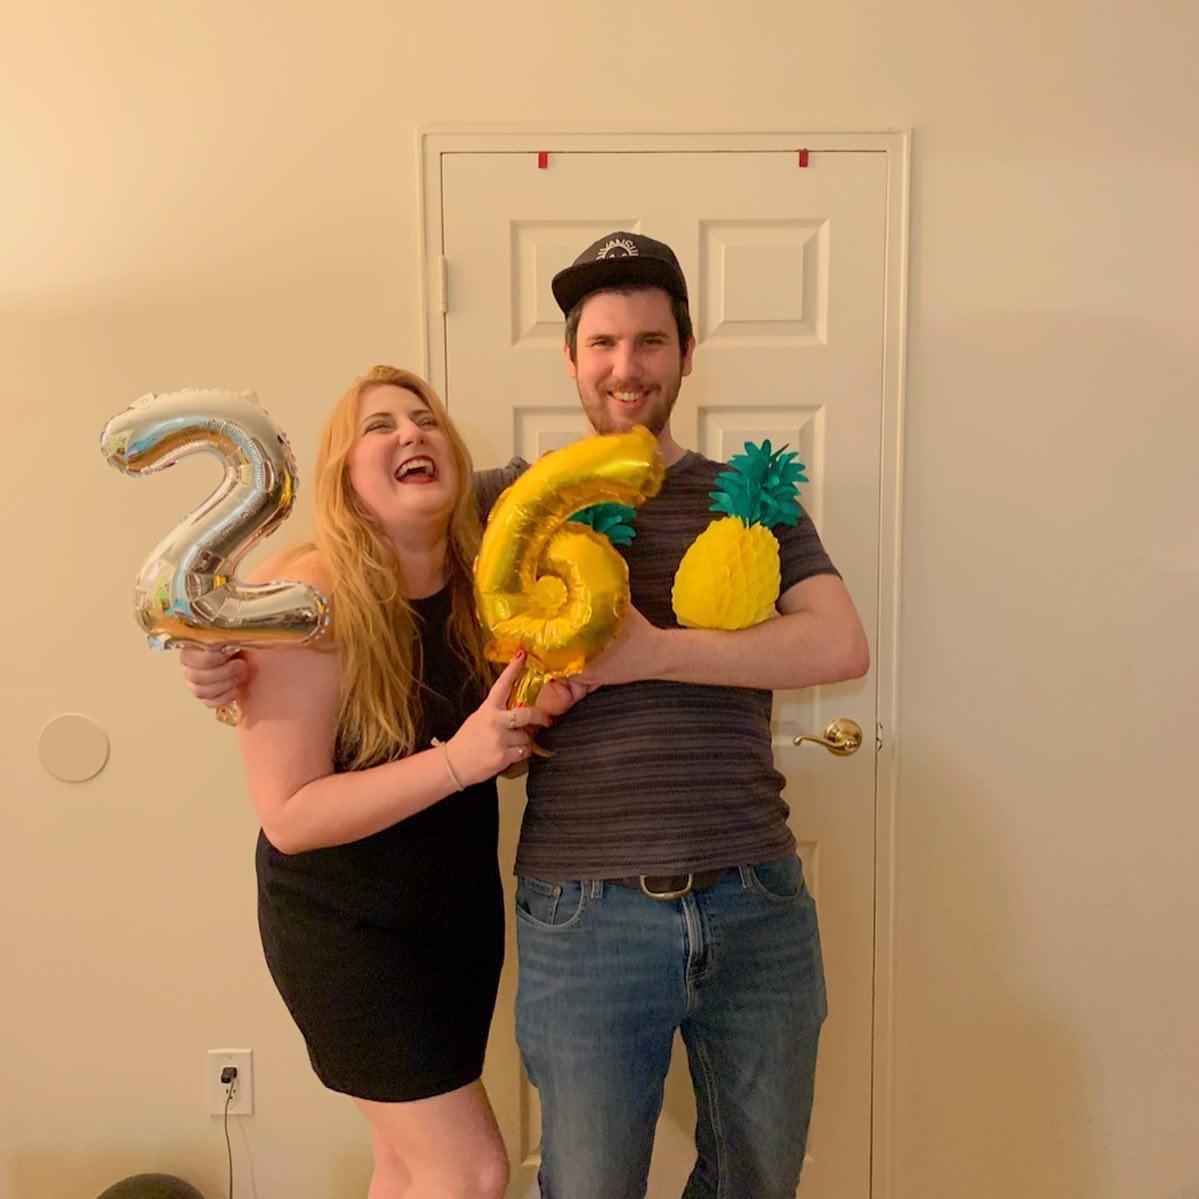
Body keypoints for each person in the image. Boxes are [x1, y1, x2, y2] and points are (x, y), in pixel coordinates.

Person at [183, 234, 869, 1199]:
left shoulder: (751, 499)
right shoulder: (504, 505)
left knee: (758, 1174)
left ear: (685, 352)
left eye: (649, 341)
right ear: (571, 359)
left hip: (754, 889)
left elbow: (838, 645)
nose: (625, 366)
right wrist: (221, 646)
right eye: (602, 344)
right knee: (579, 1183)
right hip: (584, 909)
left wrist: (653, 652)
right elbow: (359, 553)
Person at [218, 364, 556, 1199]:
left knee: (406, 1167)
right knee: (470, 1169)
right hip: (347, 931)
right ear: (343, 475)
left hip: (452, 921)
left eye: (424, 418)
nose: (410, 432)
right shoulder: (308, 597)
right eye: (380, 426)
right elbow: (289, 814)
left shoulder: (480, 586)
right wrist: (460, 759)